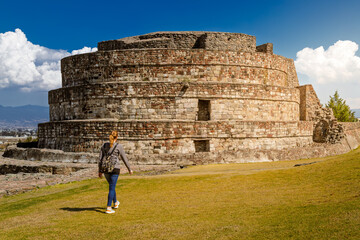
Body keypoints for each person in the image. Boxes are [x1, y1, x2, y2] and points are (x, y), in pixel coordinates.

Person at [98, 131, 133, 214]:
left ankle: (116, 202)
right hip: (115, 168)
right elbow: (124, 158)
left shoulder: (104, 145)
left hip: (105, 169)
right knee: (112, 187)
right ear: (116, 137)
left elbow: (100, 159)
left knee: (111, 187)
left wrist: (99, 171)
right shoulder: (119, 146)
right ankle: (108, 207)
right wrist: (129, 169)